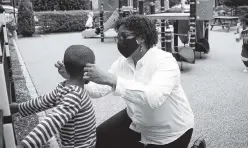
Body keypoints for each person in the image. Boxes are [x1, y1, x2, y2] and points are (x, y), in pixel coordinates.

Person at [55, 15, 195, 148]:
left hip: (171, 132)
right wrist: (72, 78)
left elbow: (154, 97)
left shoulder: (165, 61)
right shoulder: (123, 62)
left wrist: (112, 79)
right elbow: (99, 90)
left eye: (124, 36)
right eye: (118, 37)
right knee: (99, 139)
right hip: (137, 121)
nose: (120, 41)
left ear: (141, 38)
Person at [11, 45, 97, 148]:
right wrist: (19, 107)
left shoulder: (71, 92)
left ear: (65, 67)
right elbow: (46, 108)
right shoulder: (69, 91)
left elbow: (49, 116)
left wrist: (25, 145)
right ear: (88, 71)